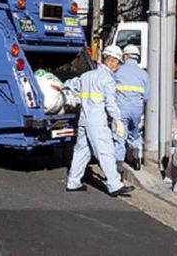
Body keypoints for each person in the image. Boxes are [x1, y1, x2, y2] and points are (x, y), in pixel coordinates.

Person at [64, 45, 135, 197]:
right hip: (97, 122)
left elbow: (70, 84)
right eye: (118, 62)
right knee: (105, 152)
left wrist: (60, 87)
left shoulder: (87, 76)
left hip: (84, 120)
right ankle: (115, 185)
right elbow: (110, 104)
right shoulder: (108, 80)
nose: (119, 66)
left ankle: (73, 182)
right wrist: (118, 120)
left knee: (81, 151)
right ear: (111, 61)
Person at [114, 44, 149, 171]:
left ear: (125, 56)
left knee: (120, 137)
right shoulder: (143, 74)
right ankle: (137, 160)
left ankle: (118, 167)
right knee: (135, 134)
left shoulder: (118, 72)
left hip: (121, 109)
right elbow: (146, 96)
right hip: (137, 110)